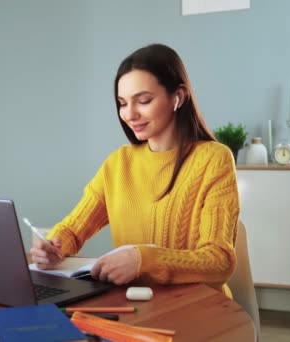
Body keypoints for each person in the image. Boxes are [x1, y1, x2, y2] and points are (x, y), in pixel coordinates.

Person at [30, 43, 240, 296]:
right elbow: (73, 229)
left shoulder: (213, 160)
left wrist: (143, 260)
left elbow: (219, 261)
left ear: (178, 97)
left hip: (198, 307)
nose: (130, 115)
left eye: (143, 100)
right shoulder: (118, 163)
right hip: (135, 305)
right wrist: (53, 245)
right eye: (122, 103)